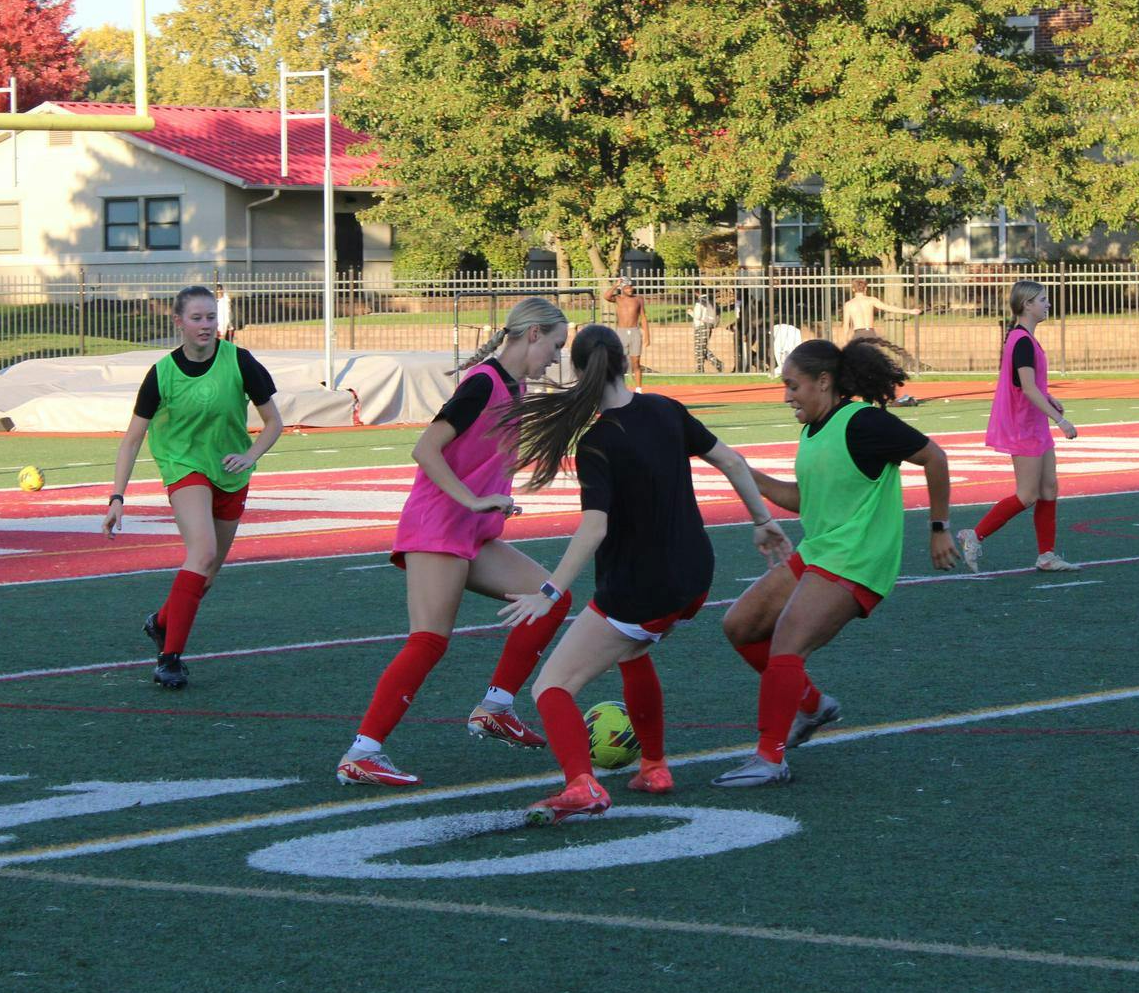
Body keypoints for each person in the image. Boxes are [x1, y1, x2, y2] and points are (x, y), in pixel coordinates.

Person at [495, 325, 790, 822]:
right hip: (695, 577)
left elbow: (593, 529)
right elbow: (732, 461)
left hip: (639, 590)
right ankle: (654, 766)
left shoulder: (597, 443)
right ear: (622, 361)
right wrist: (763, 522)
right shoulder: (665, 409)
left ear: (580, 371)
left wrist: (549, 591)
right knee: (632, 654)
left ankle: (582, 786)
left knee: (552, 686)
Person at [335, 297, 574, 786]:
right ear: (532, 335)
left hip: (471, 531)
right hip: (438, 526)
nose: (556, 355)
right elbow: (425, 449)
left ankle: (496, 707)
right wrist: (473, 498)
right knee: (428, 641)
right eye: (555, 344)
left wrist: (492, 499)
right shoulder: (483, 384)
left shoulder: (518, 385)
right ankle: (362, 753)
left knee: (551, 597)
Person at [712, 337, 956, 787]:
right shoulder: (812, 430)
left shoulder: (862, 422)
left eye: (793, 386)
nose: (787, 396)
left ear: (824, 382)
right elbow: (806, 500)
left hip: (856, 558)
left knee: (786, 643)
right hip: (821, 550)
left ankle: (769, 758)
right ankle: (811, 705)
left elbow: (934, 457)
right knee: (740, 625)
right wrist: (748, 475)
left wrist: (939, 527)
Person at [103, 285, 284, 689]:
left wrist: (251, 456)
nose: (205, 326)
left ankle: (161, 622)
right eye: (197, 318)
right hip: (185, 468)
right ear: (179, 322)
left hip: (232, 472)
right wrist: (117, 496)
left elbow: (274, 423)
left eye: (210, 318)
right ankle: (170, 659)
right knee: (201, 552)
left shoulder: (240, 361)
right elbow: (132, 438)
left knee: (208, 573)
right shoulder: (161, 373)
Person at [956, 281, 1079, 574]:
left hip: (1033, 425)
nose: (1048, 304)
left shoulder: (1025, 339)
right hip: (1024, 427)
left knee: (1049, 488)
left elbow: (1027, 384)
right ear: (1027, 305)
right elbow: (1026, 388)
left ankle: (1046, 555)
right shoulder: (1021, 340)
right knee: (1027, 495)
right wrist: (1059, 420)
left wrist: (1048, 397)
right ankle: (976, 535)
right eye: (1043, 300)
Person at [838, 278, 920, 343]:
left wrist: (845, 340)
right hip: (870, 333)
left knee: (858, 361)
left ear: (853, 289)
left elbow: (846, 325)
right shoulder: (871, 300)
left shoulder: (849, 304)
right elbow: (888, 307)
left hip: (858, 334)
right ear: (865, 288)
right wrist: (909, 311)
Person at [606, 277, 650, 390]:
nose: (630, 289)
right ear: (622, 289)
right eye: (627, 287)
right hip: (621, 332)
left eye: (631, 287)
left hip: (635, 331)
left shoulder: (638, 299)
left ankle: (639, 389)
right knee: (620, 361)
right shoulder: (618, 298)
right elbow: (606, 296)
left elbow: (643, 317)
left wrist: (647, 336)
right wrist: (616, 285)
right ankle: (620, 387)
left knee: (636, 362)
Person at [690, 290, 725, 374]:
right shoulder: (712, 302)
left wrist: (691, 313)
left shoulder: (700, 302)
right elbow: (717, 315)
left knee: (699, 348)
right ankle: (715, 364)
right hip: (709, 326)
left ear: (697, 292)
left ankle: (701, 368)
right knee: (702, 348)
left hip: (701, 326)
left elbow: (698, 315)